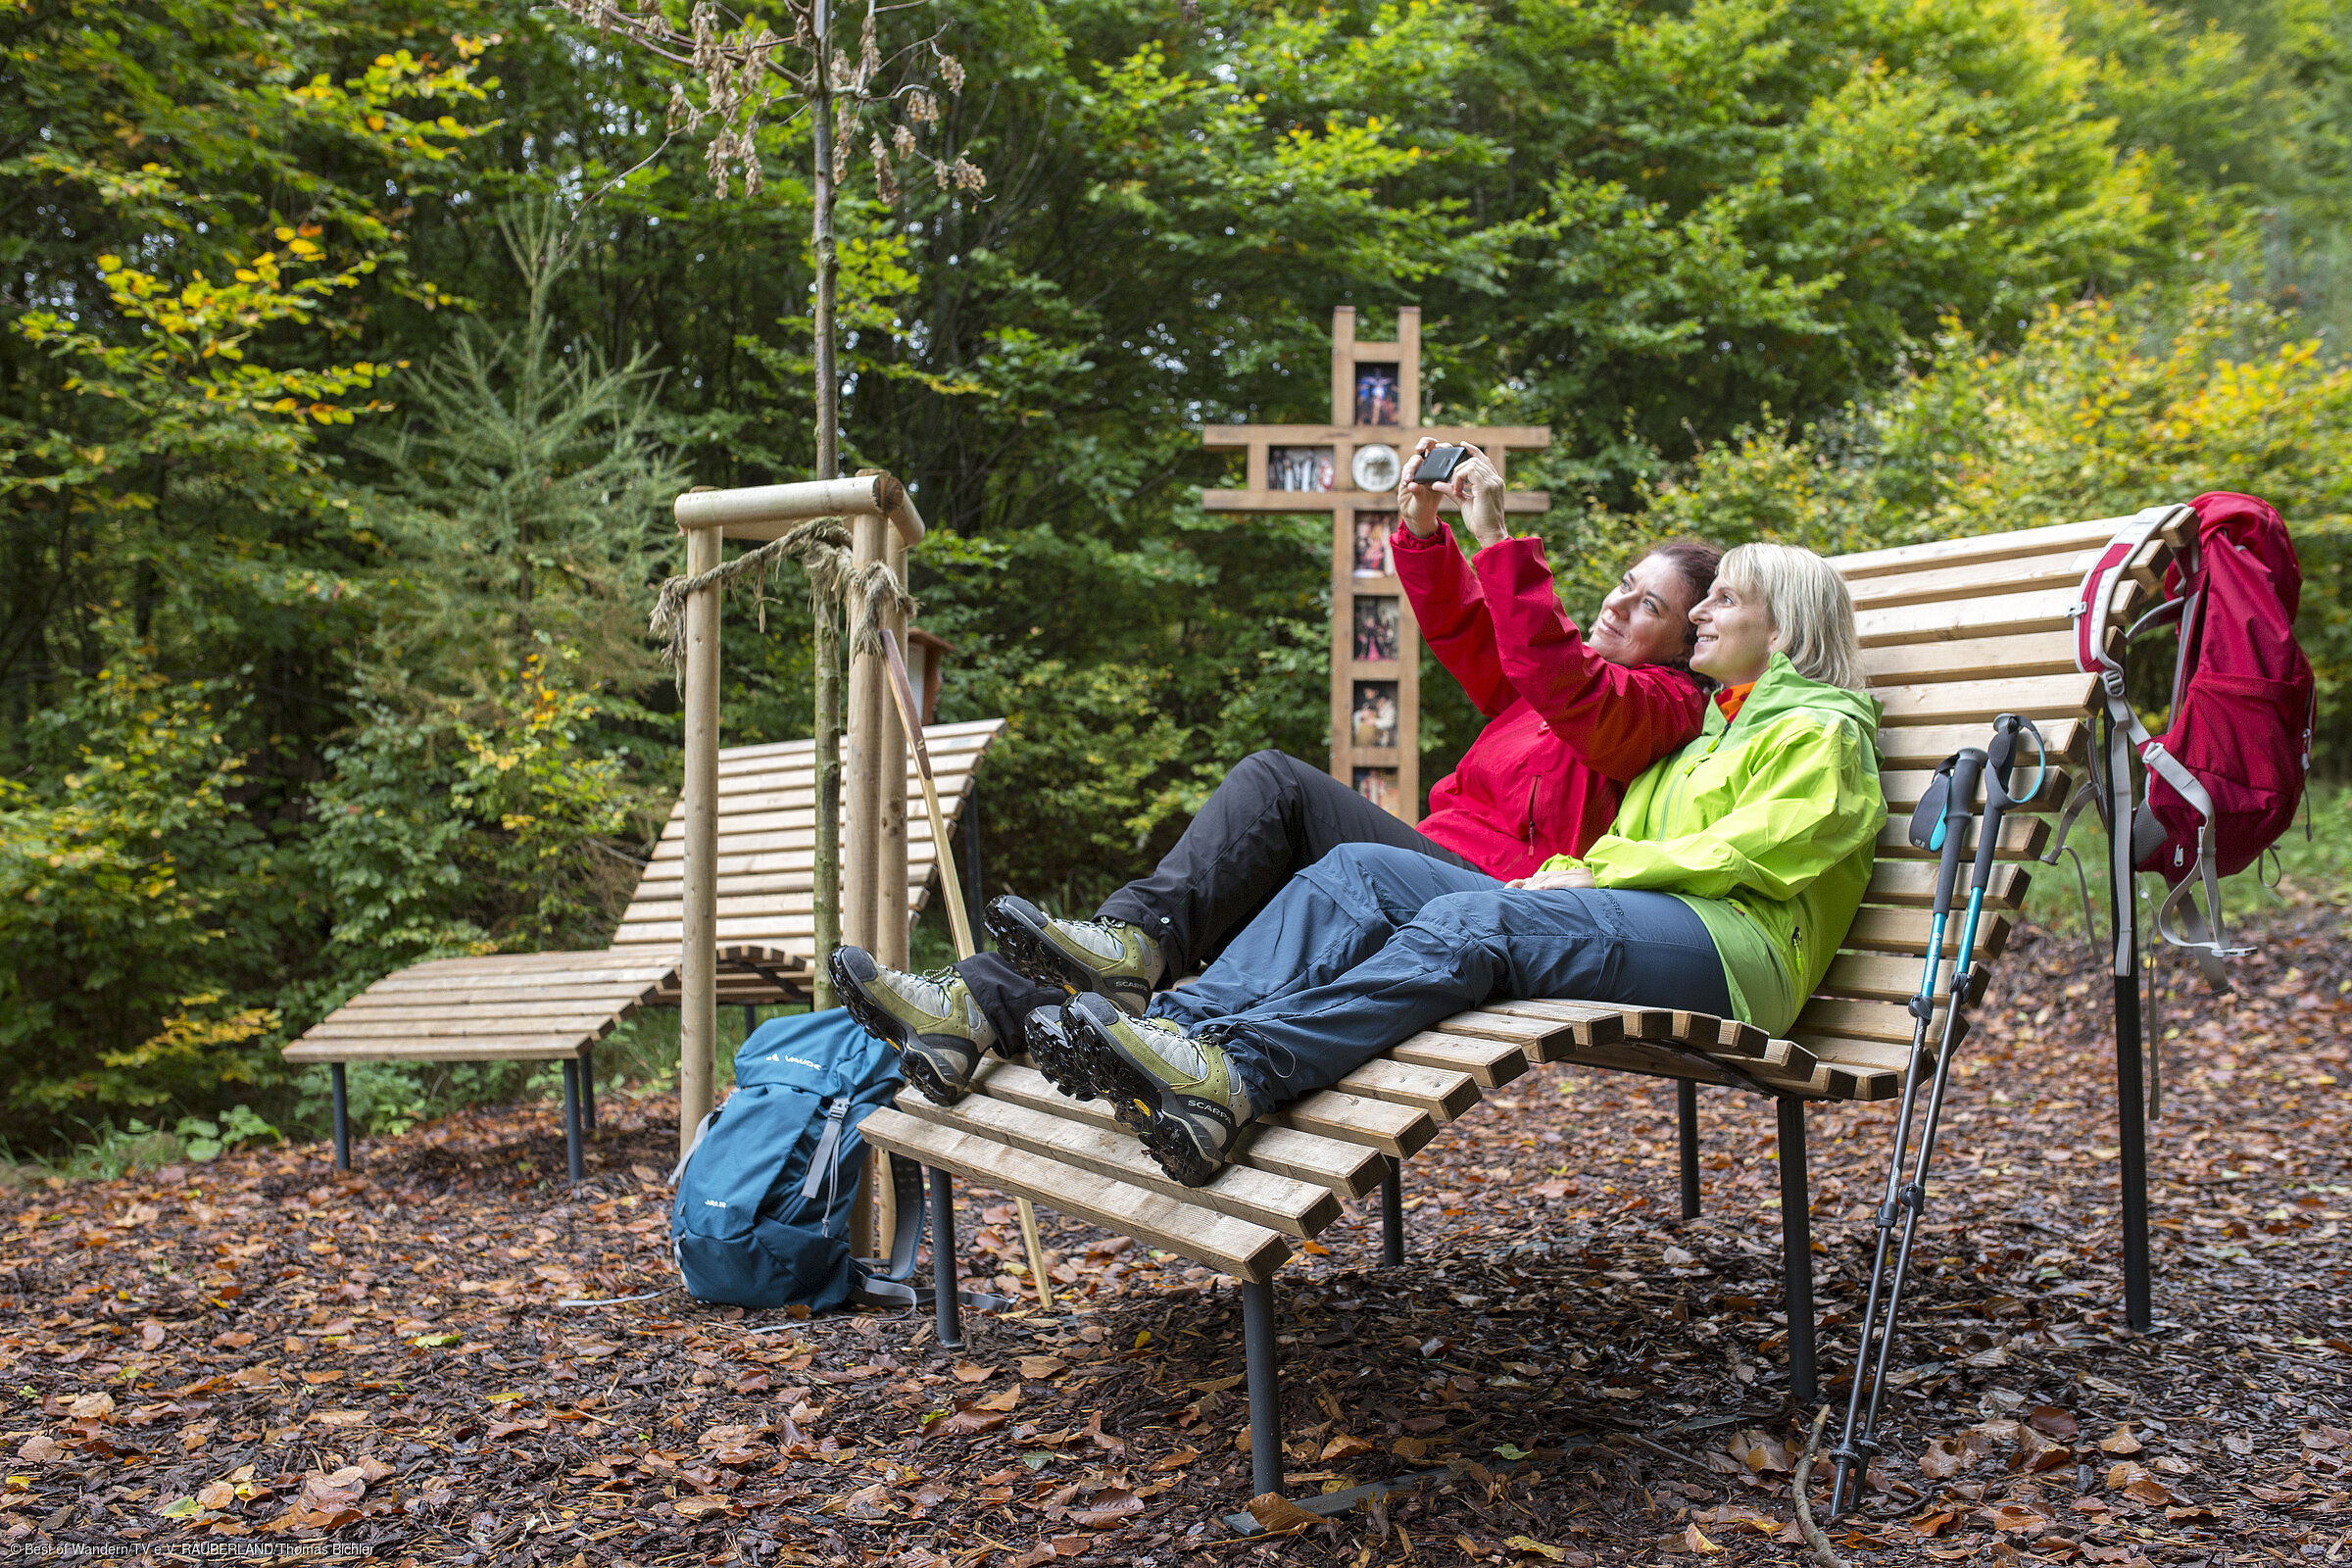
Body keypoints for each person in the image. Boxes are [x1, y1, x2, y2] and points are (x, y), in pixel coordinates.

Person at [828, 445, 1721, 1108]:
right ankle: (980, 1006)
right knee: (1226, 884)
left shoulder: (1659, 710)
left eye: (1649, 604)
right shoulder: (1539, 693)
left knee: (1279, 784)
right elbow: (1475, 637)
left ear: (1688, 644)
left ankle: (1132, 957)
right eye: (1624, 582)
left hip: (1491, 908)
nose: (1617, 600)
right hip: (1419, 874)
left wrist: (1496, 536)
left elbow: (1565, 679)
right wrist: (1421, 530)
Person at [1060, 542, 1884, 1185]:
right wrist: (1575, 869)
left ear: (1782, 632)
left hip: (1741, 953)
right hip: (1667, 918)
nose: (1702, 612)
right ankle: (1178, 1031)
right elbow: (1613, 846)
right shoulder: (1710, 737)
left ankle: (1237, 1072)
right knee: (1360, 868)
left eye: (1724, 599)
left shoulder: (1823, 729)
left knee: (1473, 917)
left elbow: (1764, 847)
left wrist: (1599, 874)